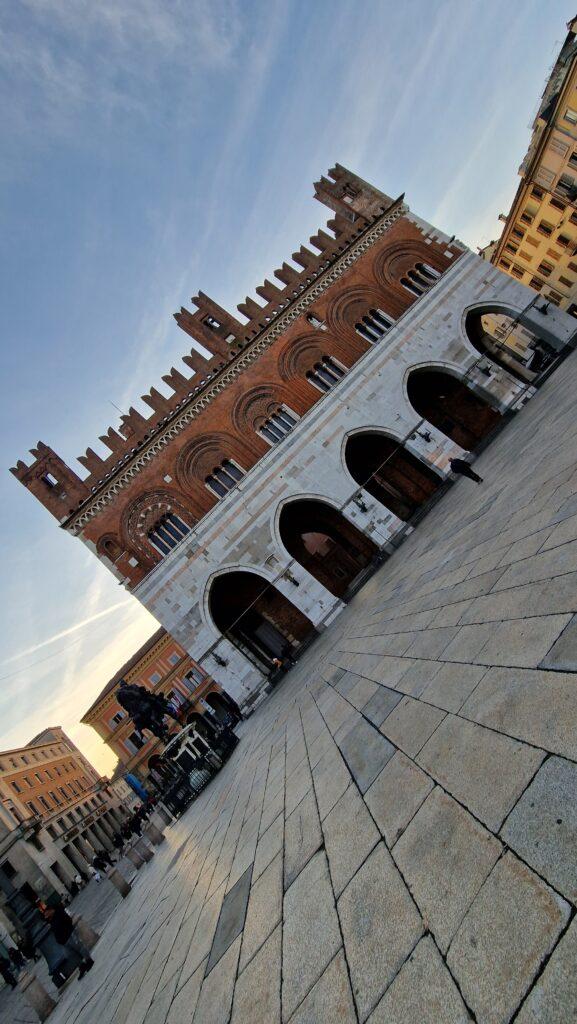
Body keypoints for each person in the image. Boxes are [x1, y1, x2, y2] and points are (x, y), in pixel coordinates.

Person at [41, 901, 94, 980]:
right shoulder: (51, 920)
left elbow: (68, 920)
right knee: (71, 955)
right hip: (63, 941)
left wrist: (68, 929)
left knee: (80, 948)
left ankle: (89, 961)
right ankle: (81, 966)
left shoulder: (59, 913)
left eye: (46, 913)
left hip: (70, 935)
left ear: (51, 910)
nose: (46, 916)